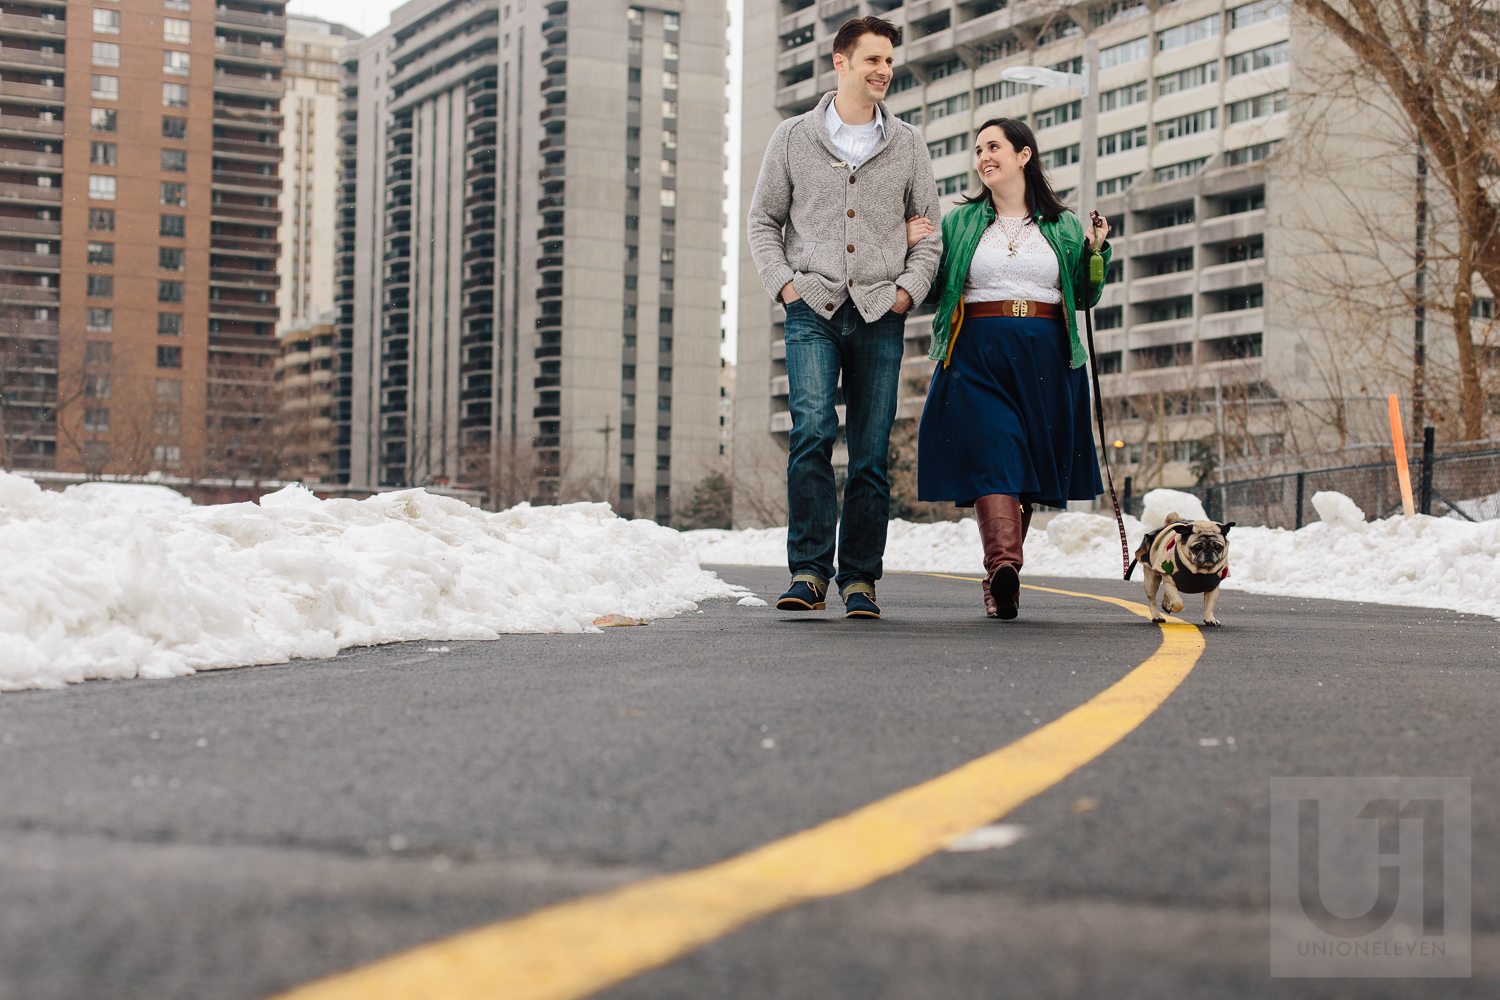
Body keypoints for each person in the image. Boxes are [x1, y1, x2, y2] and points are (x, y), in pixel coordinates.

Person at [746, 16, 942, 620]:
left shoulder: (908, 143)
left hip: (882, 313)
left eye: (889, 61)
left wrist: (907, 292)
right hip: (812, 310)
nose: (883, 70)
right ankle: (808, 572)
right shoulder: (792, 137)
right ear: (841, 62)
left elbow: (928, 238)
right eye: (872, 60)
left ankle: (860, 579)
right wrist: (785, 287)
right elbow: (763, 222)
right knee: (810, 432)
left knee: (870, 452)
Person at [917, 118, 1112, 620]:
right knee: (995, 448)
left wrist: (1096, 253)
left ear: (1024, 155)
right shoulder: (958, 223)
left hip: (1047, 355)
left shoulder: (1064, 224)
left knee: (1025, 469)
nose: (984, 156)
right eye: (978, 149)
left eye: (994, 146)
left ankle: (1002, 576)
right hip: (976, 352)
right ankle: (1003, 563)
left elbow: (1085, 296)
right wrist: (916, 246)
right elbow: (935, 290)